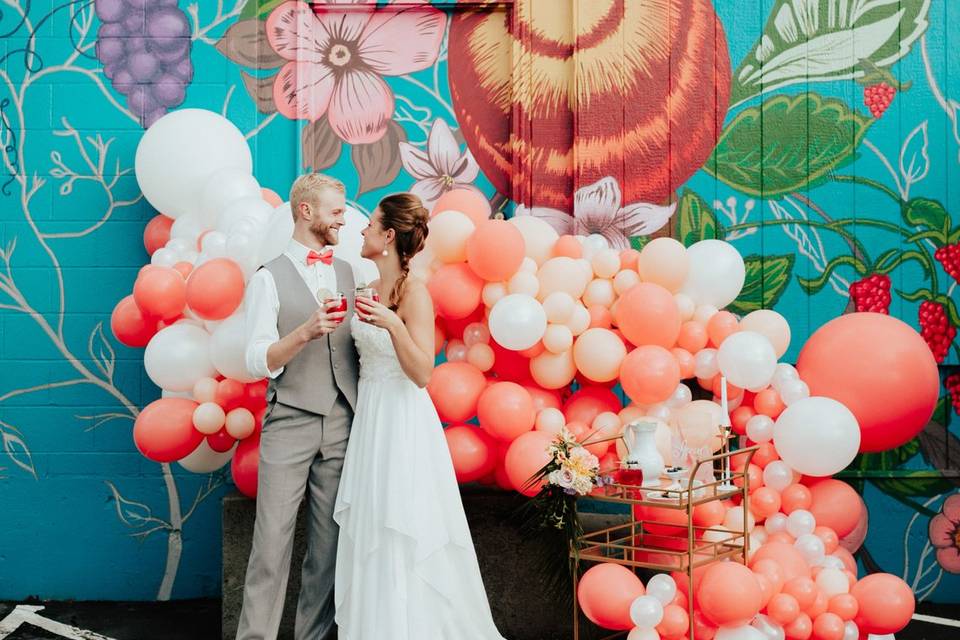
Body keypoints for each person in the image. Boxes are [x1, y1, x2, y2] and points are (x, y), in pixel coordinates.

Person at [333, 193, 506, 639]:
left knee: (405, 517)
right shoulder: (366, 291)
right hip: (370, 416)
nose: (361, 230)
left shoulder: (414, 293)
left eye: (369, 224)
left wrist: (391, 325)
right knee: (374, 518)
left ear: (389, 236)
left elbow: (422, 373)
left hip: (403, 418)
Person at [236, 173, 359, 640]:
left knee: (328, 550)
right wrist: (304, 332)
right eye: (336, 210)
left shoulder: (348, 273)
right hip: (289, 420)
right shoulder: (268, 278)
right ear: (306, 211)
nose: (343, 219)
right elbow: (254, 359)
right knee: (270, 547)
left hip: (343, 423)